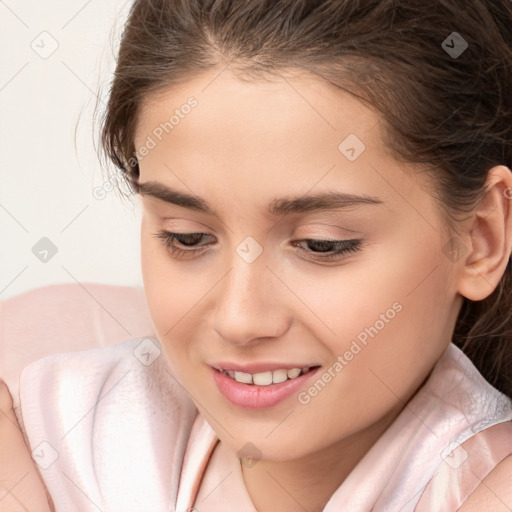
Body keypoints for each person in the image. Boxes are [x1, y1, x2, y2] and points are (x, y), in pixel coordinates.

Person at [2, 0, 512, 510]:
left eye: (321, 244)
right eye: (186, 237)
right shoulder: (60, 419)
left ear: (480, 240)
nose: (239, 320)